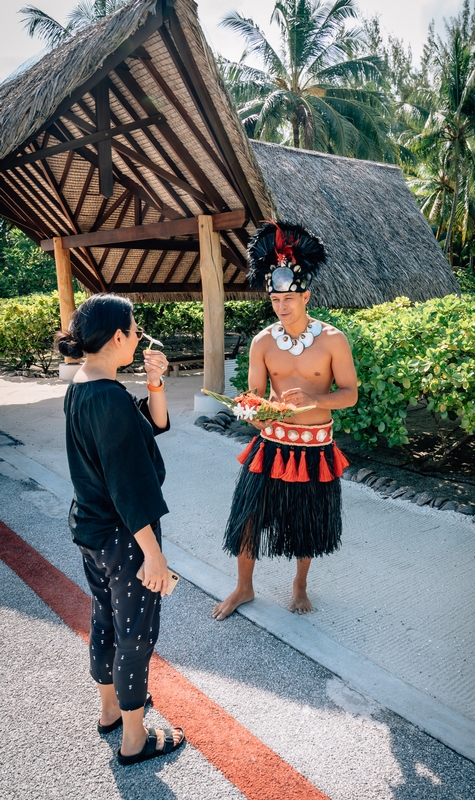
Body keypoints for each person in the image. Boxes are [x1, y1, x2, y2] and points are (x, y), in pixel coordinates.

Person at [58, 293, 185, 766]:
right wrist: (153, 552)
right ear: (117, 337)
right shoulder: (108, 399)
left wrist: (155, 384)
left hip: (91, 530)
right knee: (135, 634)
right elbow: (129, 485)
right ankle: (134, 739)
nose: (137, 336)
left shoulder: (86, 385)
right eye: (134, 330)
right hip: (124, 536)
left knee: (105, 618)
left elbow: (150, 426)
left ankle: (110, 710)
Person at [212, 221, 358, 622]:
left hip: (314, 447)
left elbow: (350, 393)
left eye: (288, 298)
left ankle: (300, 584)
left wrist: (314, 398)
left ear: (306, 295)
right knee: (247, 519)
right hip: (271, 445)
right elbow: (255, 395)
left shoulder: (333, 339)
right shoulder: (262, 342)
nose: (281, 305)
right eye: (275, 298)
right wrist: (253, 413)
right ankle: (244, 587)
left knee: (307, 524)